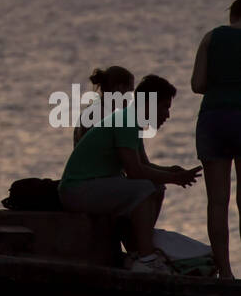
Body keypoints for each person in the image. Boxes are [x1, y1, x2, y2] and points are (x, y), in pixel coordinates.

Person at [59, 74, 201, 273]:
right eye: (164, 107)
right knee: (144, 188)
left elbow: (143, 165)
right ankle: (146, 258)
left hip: (90, 187)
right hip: (77, 190)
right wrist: (175, 178)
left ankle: (137, 252)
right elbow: (135, 172)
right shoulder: (126, 121)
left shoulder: (131, 121)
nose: (167, 115)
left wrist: (172, 172)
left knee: (156, 187)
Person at [191, 0, 241, 280]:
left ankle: (225, 272)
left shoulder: (211, 38)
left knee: (217, 201)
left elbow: (198, 84)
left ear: (232, 15)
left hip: (212, 120)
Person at [73, 65, 135, 146]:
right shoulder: (100, 115)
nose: (131, 97)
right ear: (118, 88)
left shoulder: (95, 109)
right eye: (129, 91)